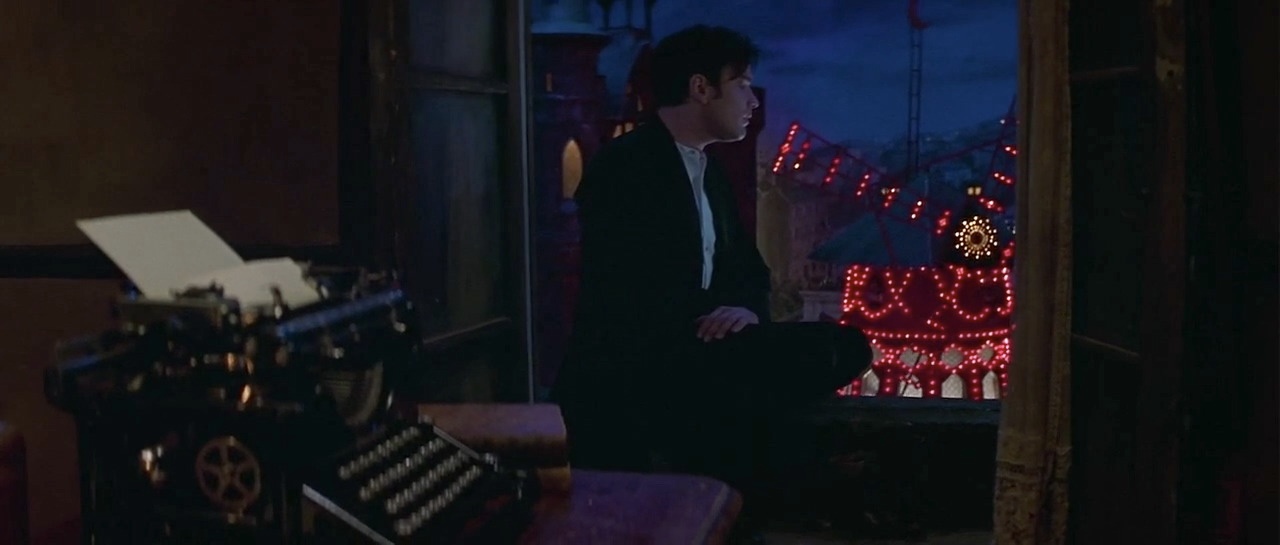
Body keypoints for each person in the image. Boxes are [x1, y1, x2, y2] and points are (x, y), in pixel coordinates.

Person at [551, 24, 870, 512]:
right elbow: (625, 293)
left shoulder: (709, 172)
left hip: (703, 348)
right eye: (741, 84)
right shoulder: (625, 168)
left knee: (845, 347)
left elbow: (748, 269)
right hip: (646, 363)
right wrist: (717, 325)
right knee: (809, 363)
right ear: (701, 88)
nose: (753, 101)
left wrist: (742, 310)